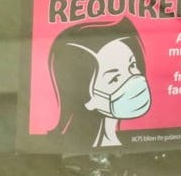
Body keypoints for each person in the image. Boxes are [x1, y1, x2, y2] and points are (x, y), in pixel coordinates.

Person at [48, 17, 151, 149]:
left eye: (132, 66)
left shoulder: (137, 140)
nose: (133, 79)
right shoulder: (65, 145)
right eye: (115, 79)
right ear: (87, 97)